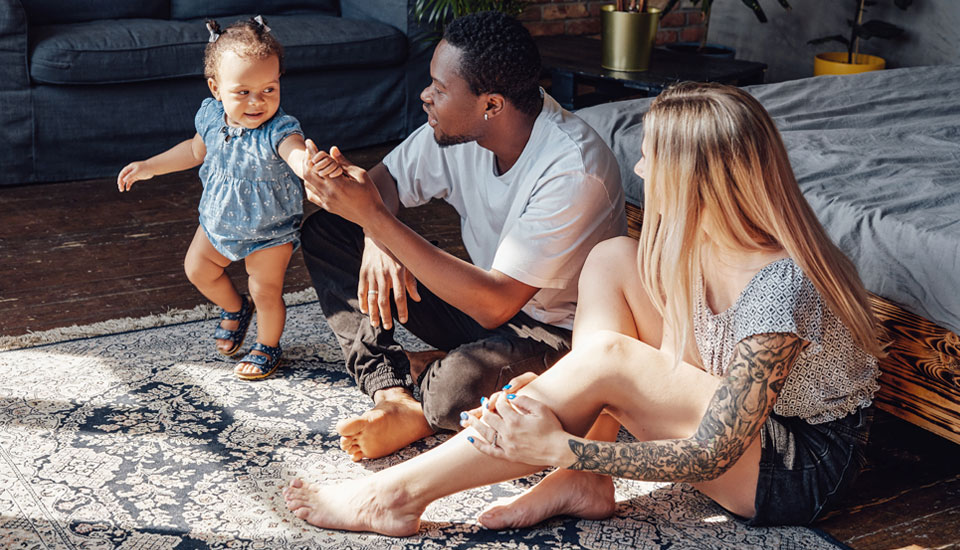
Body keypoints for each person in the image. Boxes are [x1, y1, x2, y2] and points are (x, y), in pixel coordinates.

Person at [282, 81, 883, 534]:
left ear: (696, 178)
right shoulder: (698, 240)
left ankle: (397, 497)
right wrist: (571, 391)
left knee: (611, 362)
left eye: (652, 159)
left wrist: (558, 444)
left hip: (795, 469)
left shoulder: (780, 287)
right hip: (739, 424)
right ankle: (584, 483)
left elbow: (714, 451)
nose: (641, 170)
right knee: (613, 259)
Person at [297, 11, 626, 462]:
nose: (425, 96)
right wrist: (375, 233)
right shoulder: (457, 130)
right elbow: (382, 183)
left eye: (439, 87)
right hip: (480, 301)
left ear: (491, 104)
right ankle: (392, 392)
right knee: (330, 230)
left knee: (455, 388)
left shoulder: (573, 170)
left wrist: (377, 220)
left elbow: (496, 304)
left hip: (555, 334)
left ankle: (428, 392)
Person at [117, 17, 309, 380]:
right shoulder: (210, 118)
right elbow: (193, 151)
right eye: (243, 92)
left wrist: (307, 164)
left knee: (265, 289)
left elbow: (294, 151)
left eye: (269, 89)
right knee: (198, 269)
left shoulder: (279, 130)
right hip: (219, 219)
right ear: (216, 88)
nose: (257, 102)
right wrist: (150, 166)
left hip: (270, 229)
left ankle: (268, 345)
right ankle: (235, 309)